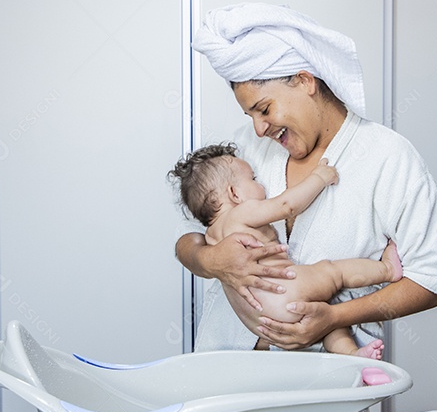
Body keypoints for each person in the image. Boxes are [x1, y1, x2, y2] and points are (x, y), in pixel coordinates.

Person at [177, 2, 437, 353]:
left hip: (328, 391)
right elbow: (187, 237)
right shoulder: (244, 150)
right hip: (225, 378)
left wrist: (334, 318)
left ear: (305, 80)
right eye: (250, 116)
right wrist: (210, 260)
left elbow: (431, 280)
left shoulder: (387, 157)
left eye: (264, 109)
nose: (259, 129)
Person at [169, 142, 404, 358]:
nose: (260, 184)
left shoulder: (211, 237)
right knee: (334, 272)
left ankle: (353, 354)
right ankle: (386, 269)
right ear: (235, 194)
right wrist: (320, 178)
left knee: (327, 320)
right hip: (287, 290)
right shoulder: (241, 213)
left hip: (261, 320)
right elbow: (286, 205)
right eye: (253, 178)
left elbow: (187, 246)